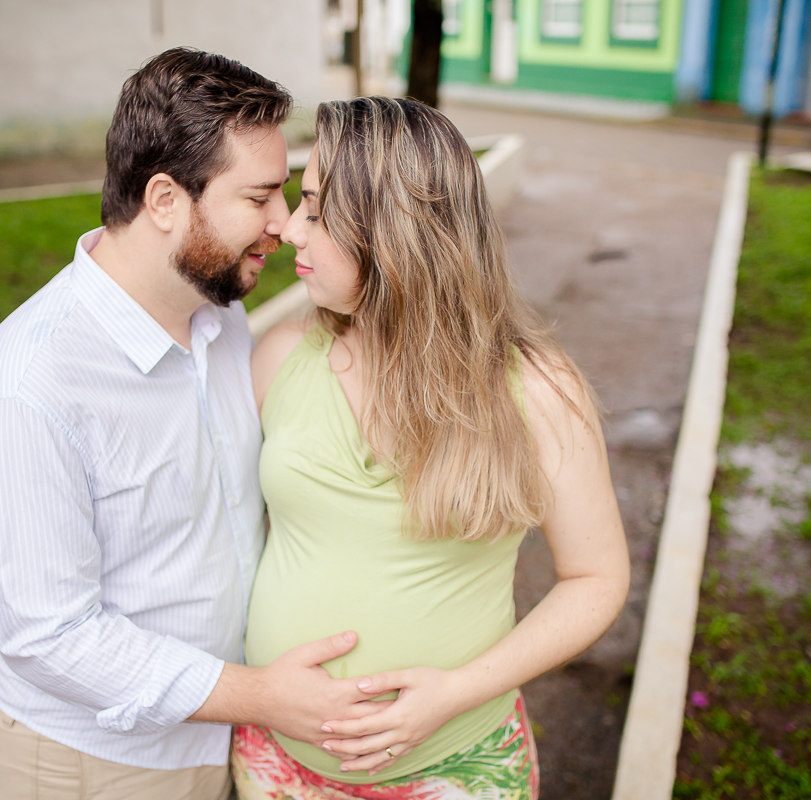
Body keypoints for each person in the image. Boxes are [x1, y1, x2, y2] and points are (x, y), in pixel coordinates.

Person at [0, 49, 386, 800]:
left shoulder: (219, 312)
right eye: (260, 198)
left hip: (215, 734)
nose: (283, 225)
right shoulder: (27, 387)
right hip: (83, 761)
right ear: (163, 200)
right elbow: (49, 637)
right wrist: (260, 695)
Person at [234, 97, 631, 799]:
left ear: (392, 231)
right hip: (276, 768)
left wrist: (453, 692)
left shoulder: (536, 389)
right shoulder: (279, 358)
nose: (291, 228)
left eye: (319, 211)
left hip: (457, 769)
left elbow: (596, 579)